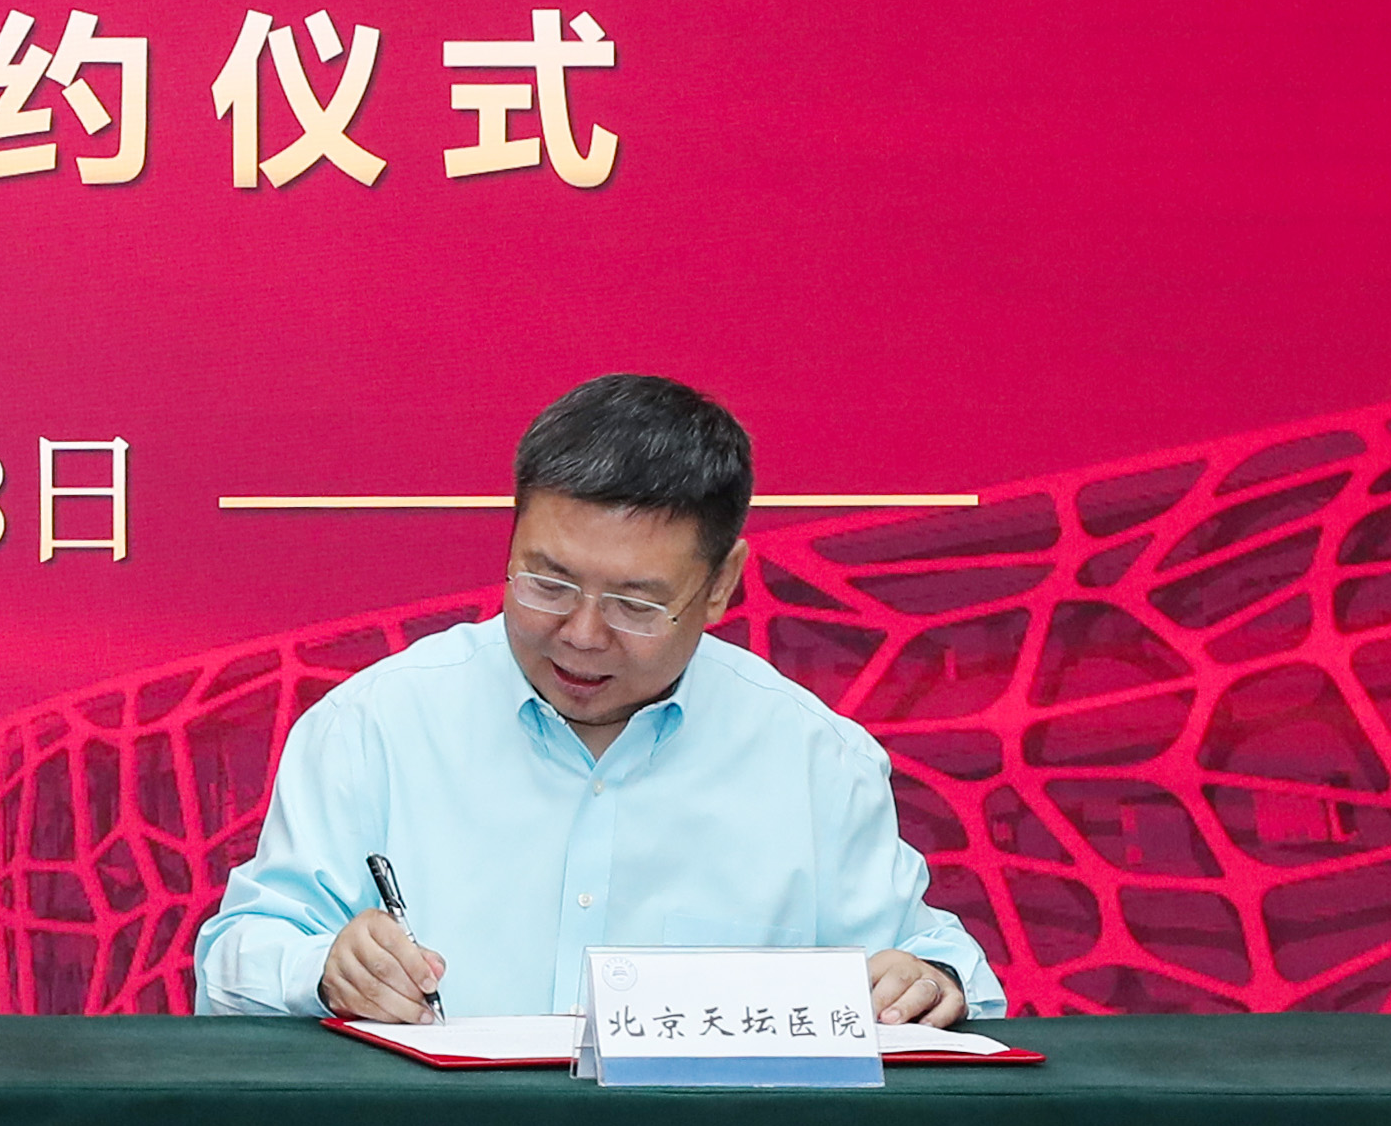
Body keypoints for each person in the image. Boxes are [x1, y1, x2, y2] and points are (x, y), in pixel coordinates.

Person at [195, 372, 1000, 1027]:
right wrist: (325, 968)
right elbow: (231, 963)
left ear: (722, 583)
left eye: (635, 604)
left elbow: (940, 968)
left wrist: (928, 981)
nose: (581, 635)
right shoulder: (374, 726)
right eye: (547, 583)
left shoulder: (816, 761)